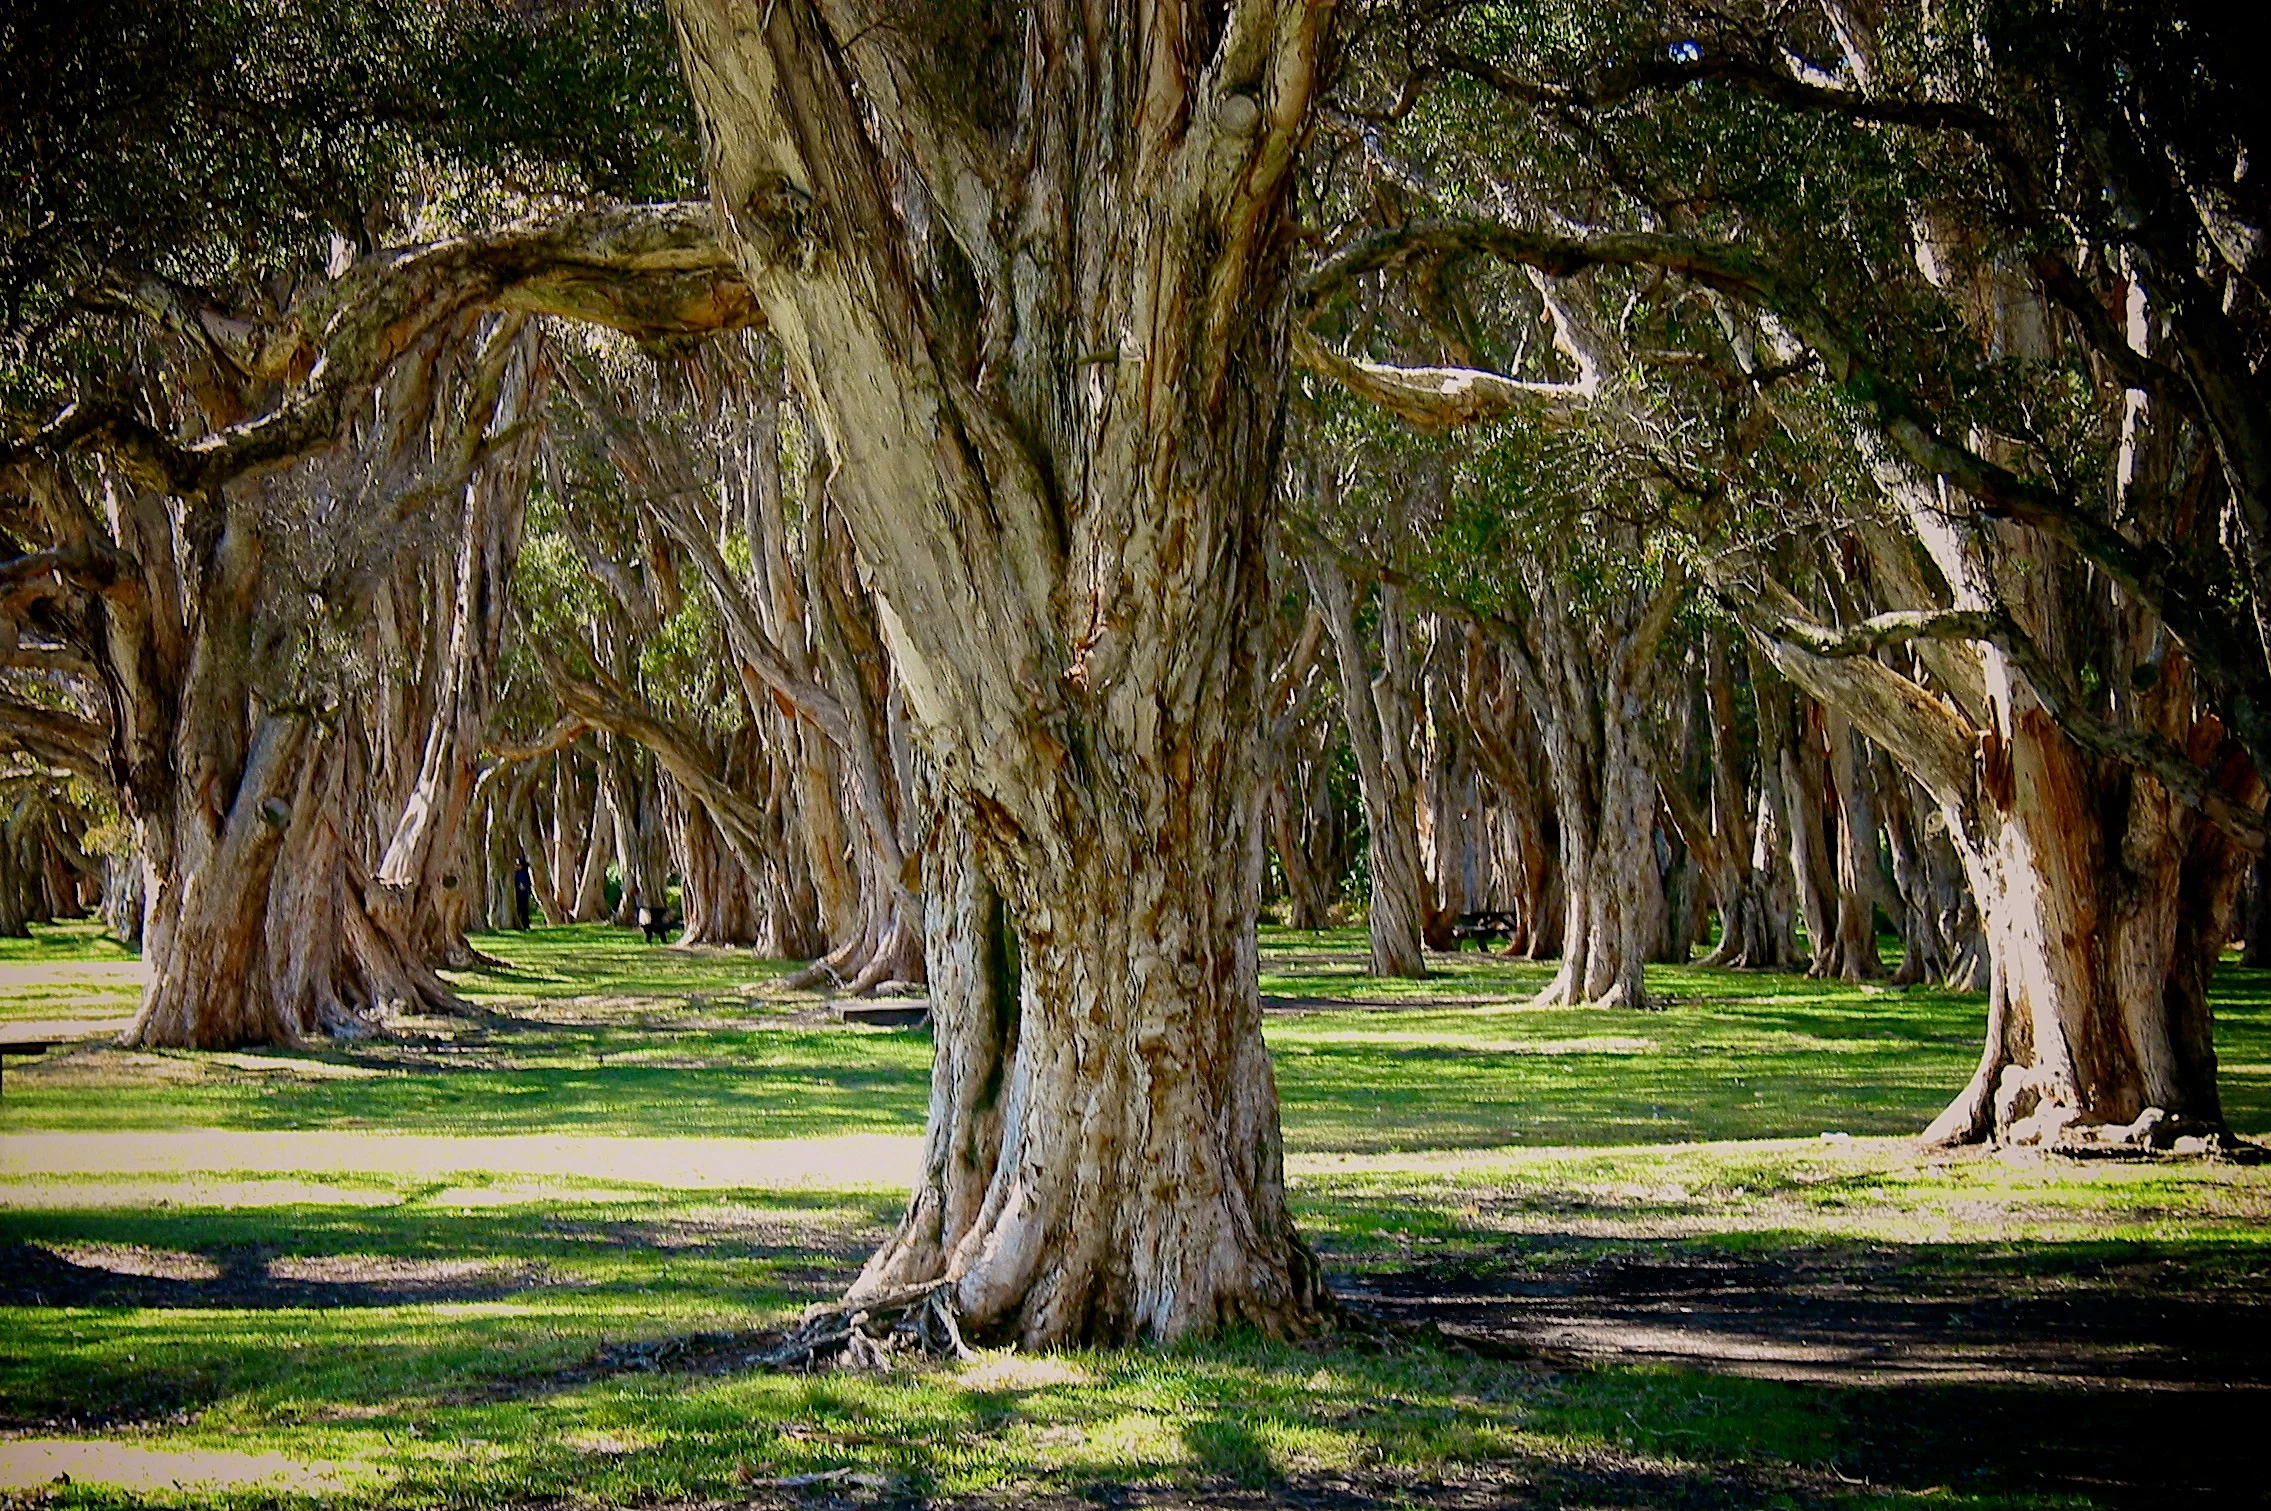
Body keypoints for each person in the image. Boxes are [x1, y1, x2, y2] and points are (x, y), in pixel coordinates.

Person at [511, 857, 534, 931]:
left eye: (518, 865)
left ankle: (526, 925)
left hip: (524, 893)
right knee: (518, 909)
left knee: (524, 909)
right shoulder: (516, 873)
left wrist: (525, 886)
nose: (517, 866)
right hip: (517, 893)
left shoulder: (525, 872)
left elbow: (529, 882)